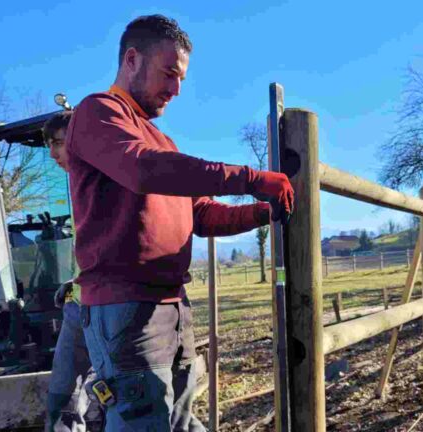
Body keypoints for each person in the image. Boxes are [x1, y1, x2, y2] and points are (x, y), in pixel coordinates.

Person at [65, 15, 294, 431]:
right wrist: (248, 177)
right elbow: (141, 170)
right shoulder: (98, 113)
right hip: (125, 310)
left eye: (182, 79)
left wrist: (265, 212)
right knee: (141, 421)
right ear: (132, 59)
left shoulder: (162, 141)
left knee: (180, 417)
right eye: (169, 74)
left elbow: (201, 214)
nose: (176, 89)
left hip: (172, 305)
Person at [43, 111, 97, 432]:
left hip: (107, 309)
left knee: (117, 402)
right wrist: (74, 280)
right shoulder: (77, 187)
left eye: (58, 144)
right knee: (60, 398)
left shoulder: (112, 181)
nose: (52, 154)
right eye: (49, 145)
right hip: (77, 307)